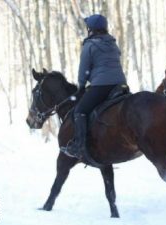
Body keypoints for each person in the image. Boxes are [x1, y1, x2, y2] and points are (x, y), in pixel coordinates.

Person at [63, 14, 127, 159]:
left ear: (90, 29)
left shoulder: (89, 45)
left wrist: (81, 86)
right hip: (120, 84)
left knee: (80, 110)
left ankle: (79, 146)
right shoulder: (112, 43)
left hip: (101, 85)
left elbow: (83, 69)